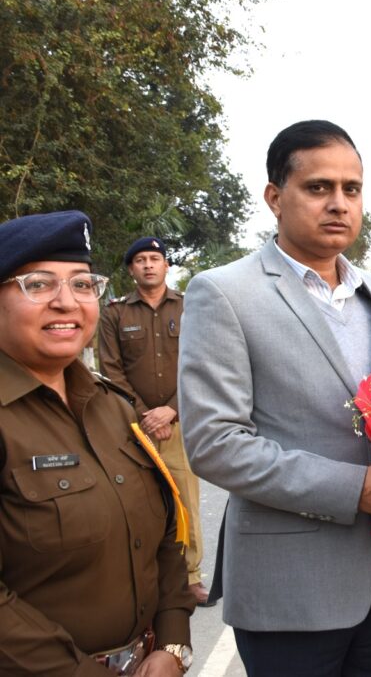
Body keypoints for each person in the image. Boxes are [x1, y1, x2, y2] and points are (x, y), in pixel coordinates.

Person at [177, 120, 371, 677]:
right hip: (288, 586)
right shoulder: (224, 292)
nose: (339, 203)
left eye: (352, 188)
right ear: (275, 197)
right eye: (318, 187)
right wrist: (357, 488)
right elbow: (216, 445)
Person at [0, 210, 195, 676]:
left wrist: (173, 643)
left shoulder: (114, 408)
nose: (66, 302)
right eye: (38, 284)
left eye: (83, 284)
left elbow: (165, 534)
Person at [98, 236, 211, 607]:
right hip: (133, 427)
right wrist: (144, 414)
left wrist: (171, 410)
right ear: (131, 269)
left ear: (166, 265)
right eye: (141, 260)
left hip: (179, 424)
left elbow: (203, 362)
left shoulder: (190, 306)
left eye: (155, 258)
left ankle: (190, 578)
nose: (148, 264)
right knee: (137, 502)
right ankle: (143, 579)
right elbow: (111, 369)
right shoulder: (115, 313)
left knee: (185, 501)